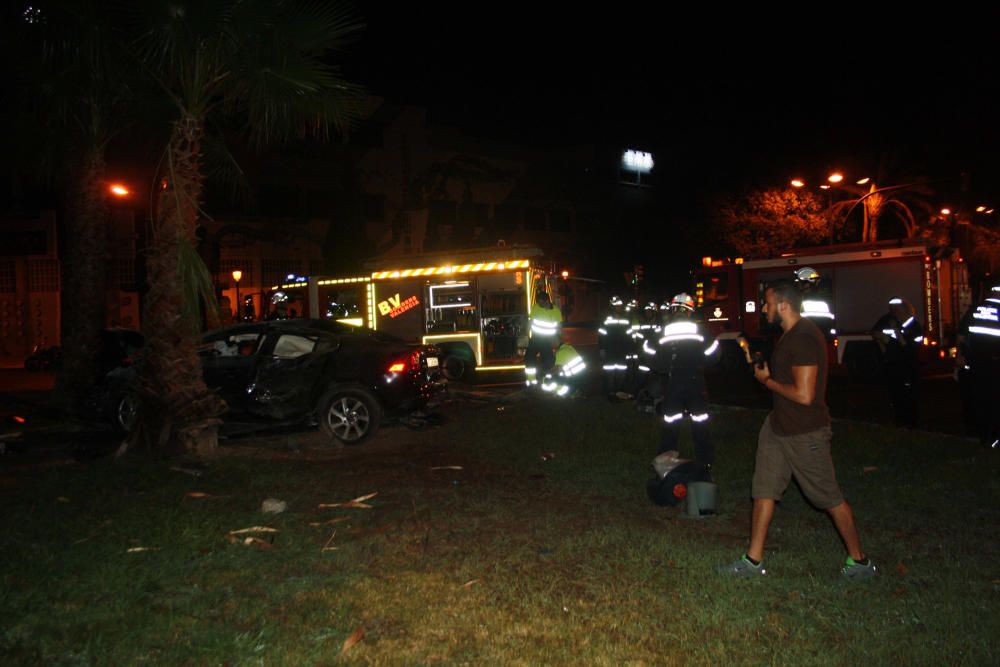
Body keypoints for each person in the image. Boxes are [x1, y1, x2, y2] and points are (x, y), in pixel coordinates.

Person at [719, 279, 875, 580]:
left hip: (804, 432)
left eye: (767, 303)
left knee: (828, 497)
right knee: (763, 489)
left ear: (783, 305)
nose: (763, 309)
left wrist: (767, 382)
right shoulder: (789, 335)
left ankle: (860, 562)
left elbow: (805, 394)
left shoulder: (803, 338)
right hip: (778, 426)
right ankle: (753, 560)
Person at [651, 293, 719, 474]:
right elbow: (714, 354)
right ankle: (705, 462)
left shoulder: (664, 330)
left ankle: (666, 462)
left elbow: (650, 354)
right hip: (695, 380)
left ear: (673, 309)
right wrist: (700, 360)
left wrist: (664, 366)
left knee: (671, 421)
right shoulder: (700, 330)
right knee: (700, 421)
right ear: (690, 311)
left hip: (673, 382)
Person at [956, 284, 1000, 449]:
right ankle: (995, 438)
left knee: (981, 400)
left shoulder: (975, 310)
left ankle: (983, 437)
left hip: (975, 363)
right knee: (995, 401)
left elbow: (961, 336)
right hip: (995, 364)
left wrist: (960, 357)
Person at [871, 297, 923, 428]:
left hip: (908, 368)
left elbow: (908, 348)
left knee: (908, 398)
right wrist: (884, 349)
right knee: (896, 397)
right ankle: (899, 423)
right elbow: (877, 335)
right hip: (894, 367)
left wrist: (897, 332)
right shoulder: (891, 323)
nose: (895, 314)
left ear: (906, 311)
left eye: (897, 311)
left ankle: (911, 425)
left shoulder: (915, 327)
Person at [524, 290, 561, 387]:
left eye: (541, 303)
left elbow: (558, 328)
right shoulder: (535, 307)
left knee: (548, 362)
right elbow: (530, 322)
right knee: (529, 358)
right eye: (538, 303)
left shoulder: (556, 311)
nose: (539, 305)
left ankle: (547, 382)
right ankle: (531, 381)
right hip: (535, 339)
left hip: (547, 341)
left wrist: (558, 341)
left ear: (547, 301)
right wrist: (526, 334)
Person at [598, 295, 631, 398]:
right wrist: (602, 349)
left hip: (621, 351)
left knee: (621, 372)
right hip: (610, 350)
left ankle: (619, 392)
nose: (620, 307)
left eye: (620, 306)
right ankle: (611, 392)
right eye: (617, 306)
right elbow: (601, 335)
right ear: (612, 307)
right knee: (610, 372)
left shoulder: (626, 320)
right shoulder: (606, 320)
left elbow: (628, 336)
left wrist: (629, 349)